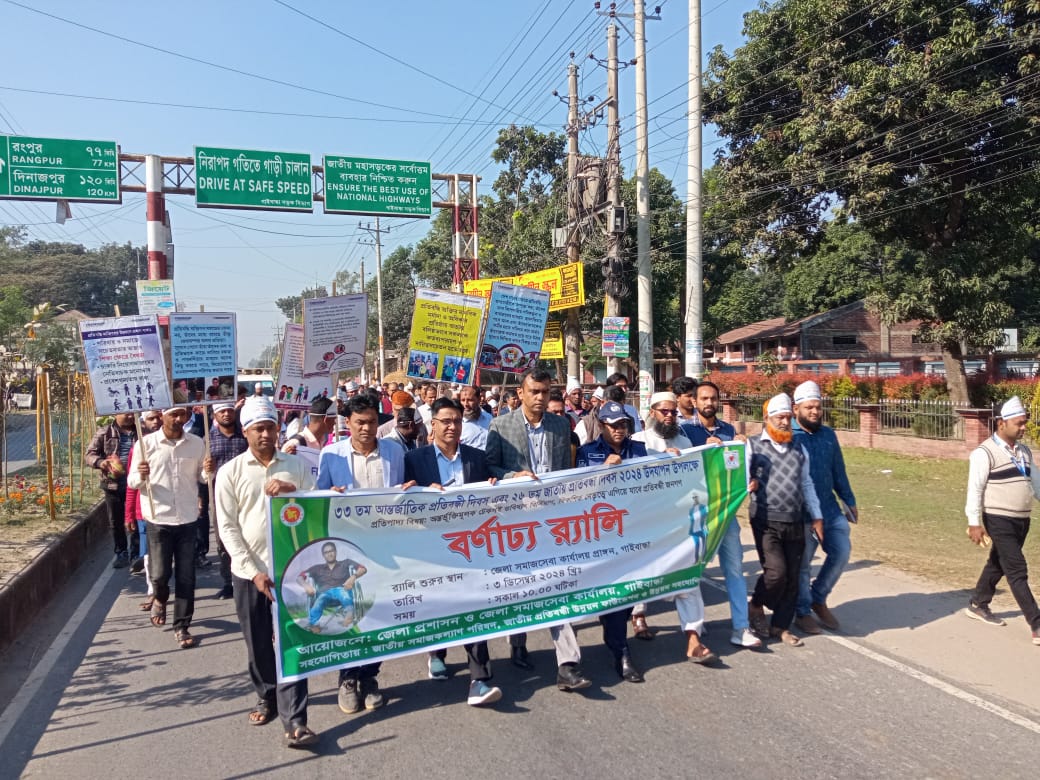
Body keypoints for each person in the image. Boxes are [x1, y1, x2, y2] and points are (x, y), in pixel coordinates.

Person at [215, 396, 319, 749]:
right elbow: (227, 528)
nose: (265, 434)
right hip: (249, 573)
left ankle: (296, 721)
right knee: (258, 643)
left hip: (291, 570)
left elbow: (317, 507)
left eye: (270, 427)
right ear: (245, 432)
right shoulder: (230, 473)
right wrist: (252, 571)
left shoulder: (296, 466)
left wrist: (293, 491)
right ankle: (267, 695)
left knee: (292, 643)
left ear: (278, 429)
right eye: (258, 428)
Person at [486, 369, 591, 692]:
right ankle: (517, 641)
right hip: (516, 522)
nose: (540, 398)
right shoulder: (500, 425)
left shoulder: (561, 425)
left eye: (545, 392)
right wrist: (511, 478)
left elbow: (566, 470)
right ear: (521, 392)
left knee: (559, 585)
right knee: (521, 585)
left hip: (554, 520)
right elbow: (490, 468)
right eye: (534, 391)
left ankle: (568, 664)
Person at [404, 397, 503, 706]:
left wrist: (494, 485)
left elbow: (488, 494)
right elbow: (402, 499)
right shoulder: (415, 459)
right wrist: (414, 492)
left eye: (457, 421)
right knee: (439, 604)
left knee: (475, 606)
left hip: (469, 547)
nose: (451, 426)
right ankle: (437, 652)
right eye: (445, 421)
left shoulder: (476, 456)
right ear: (432, 425)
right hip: (431, 547)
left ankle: (479, 678)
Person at [316, 393, 409, 714]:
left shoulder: (395, 452)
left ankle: (370, 676)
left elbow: (404, 493)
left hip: (385, 548)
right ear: (347, 424)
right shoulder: (331, 456)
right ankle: (348, 679)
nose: (366, 428)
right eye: (359, 423)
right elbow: (317, 502)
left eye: (371, 422)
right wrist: (330, 495)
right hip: (346, 550)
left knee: (378, 615)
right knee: (349, 616)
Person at [632, 392, 716, 662]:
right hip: (645, 520)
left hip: (677, 521)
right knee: (640, 571)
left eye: (672, 412)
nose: (669, 416)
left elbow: (696, 477)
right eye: (663, 411)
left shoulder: (684, 441)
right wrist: (658, 461)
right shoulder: (639, 441)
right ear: (652, 412)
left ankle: (693, 638)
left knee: (687, 578)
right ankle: (638, 614)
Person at [679, 381, 762, 650]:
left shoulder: (728, 430)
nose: (709, 403)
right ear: (694, 401)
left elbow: (738, 466)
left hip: (725, 512)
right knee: (692, 571)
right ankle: (694, 629)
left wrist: (747, 471)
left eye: (713, 398)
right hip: (697, 512)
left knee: (735, 570)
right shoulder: (685, 431)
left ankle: (741, 626)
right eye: (704, 398)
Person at [127, 408, 214, 650]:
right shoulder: (146, 444)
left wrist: (209, 469)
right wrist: (141, 474)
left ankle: (182, 625)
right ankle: (160, 598)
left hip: (187, 518)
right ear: (162, 416)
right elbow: (132, 481)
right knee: (159, 574)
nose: (178, 419)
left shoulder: (197, 444)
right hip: (158, 517)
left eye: (182, 415)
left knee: (187, 576)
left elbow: (204, 478)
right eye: (173, 414)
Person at [575, 401, 647, 682]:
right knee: (614, 590)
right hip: (599, 533)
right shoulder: (587, 452)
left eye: (623, 425)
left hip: (632, 530)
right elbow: (579, 492)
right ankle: (621, 650)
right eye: (613, 425)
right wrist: (604, 470)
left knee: (628, 592)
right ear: (602, 426)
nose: (619, 430)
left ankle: (617, 637)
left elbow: (657, 480)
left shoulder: (638, 450)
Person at [746, 394, 823, 647]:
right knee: (775, 573)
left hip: (795, 519)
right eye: (780, 417)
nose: (785, 422)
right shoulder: (753, 445)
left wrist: (817, 516)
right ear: (767, 418)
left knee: (792, 577)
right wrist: (748, 485)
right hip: (766, 519)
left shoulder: (799, 447)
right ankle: (756, 605)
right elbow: (739, 479)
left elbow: (807, 482)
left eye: (788, 418)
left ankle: (781, 626)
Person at [963, 395, 1040, 644]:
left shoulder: (1024, 452)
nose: (1023, 427)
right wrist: (974, 522)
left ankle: (978, 603)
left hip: (1022, 520)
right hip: (998, 518)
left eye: (1024, 422)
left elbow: (1037, 486)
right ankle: (1036, 624)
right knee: (1017, 569)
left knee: (999, 562)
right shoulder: (984, 453)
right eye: (1019, 423)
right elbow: (975, 489)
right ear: (1001, 423)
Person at [792, 381, 857, 634]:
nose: (815, 412)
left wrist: (849, 500)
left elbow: (838, 470)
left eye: (818, 407)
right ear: (796, 407)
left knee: (841, 552)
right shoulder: (789, 436)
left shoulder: (828, 434)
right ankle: (802, 610)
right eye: (809, 407)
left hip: (830, 510)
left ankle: (818, 597)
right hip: (803, 514)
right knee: (804, 564)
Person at [206, 401, 249, 600]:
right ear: (215, 415)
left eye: (229, 410)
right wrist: (206, 469)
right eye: (221, 411)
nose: (226, 414)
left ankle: (247, 576)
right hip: (220, 498)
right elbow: (201, 475)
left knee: (247, 537)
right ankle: (228, 582)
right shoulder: (208, 441)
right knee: (224, 540)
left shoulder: (246, 437)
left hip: (246, 495)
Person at [85, 411, 138, 569]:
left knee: (135, 518)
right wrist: (101, 462)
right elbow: (89, 455)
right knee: (116, 520)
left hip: (135, 483)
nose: (129, 417)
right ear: (116, 414)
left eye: (132, 414)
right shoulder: (104, 432)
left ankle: (136, 553)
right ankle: (121, 551)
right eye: (125, 414)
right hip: (113, 484)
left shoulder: (141, 431)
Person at [125, 410, 162, 582]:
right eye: (151, 418)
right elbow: (132, 485)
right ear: (143, 422)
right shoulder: (139, 448)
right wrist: (129, 515)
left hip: (168, 509)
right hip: (145, 510)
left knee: (163, 555)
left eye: (158, 417)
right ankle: (151, 591)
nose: (156, 421)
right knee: (148, 555)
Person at [298, 542, 367, 634]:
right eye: (326, 552)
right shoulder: (317, 568)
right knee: (319, 601)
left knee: (342, 593)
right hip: (325, 595)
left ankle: (349, 615)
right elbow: (300, 577)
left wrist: (353, 577)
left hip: (342, 591)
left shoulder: (345, 563)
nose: (329, 554)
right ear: (323, 555)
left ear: (335, 552)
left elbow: (363, 569)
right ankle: (314, 624)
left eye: (331, 551)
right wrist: (306, 585)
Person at [458, 385, 492, 450]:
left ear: (479, 399)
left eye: (470, 400)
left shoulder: (489, 418)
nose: (466, 404)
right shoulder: (457, 423)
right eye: (462, 400)